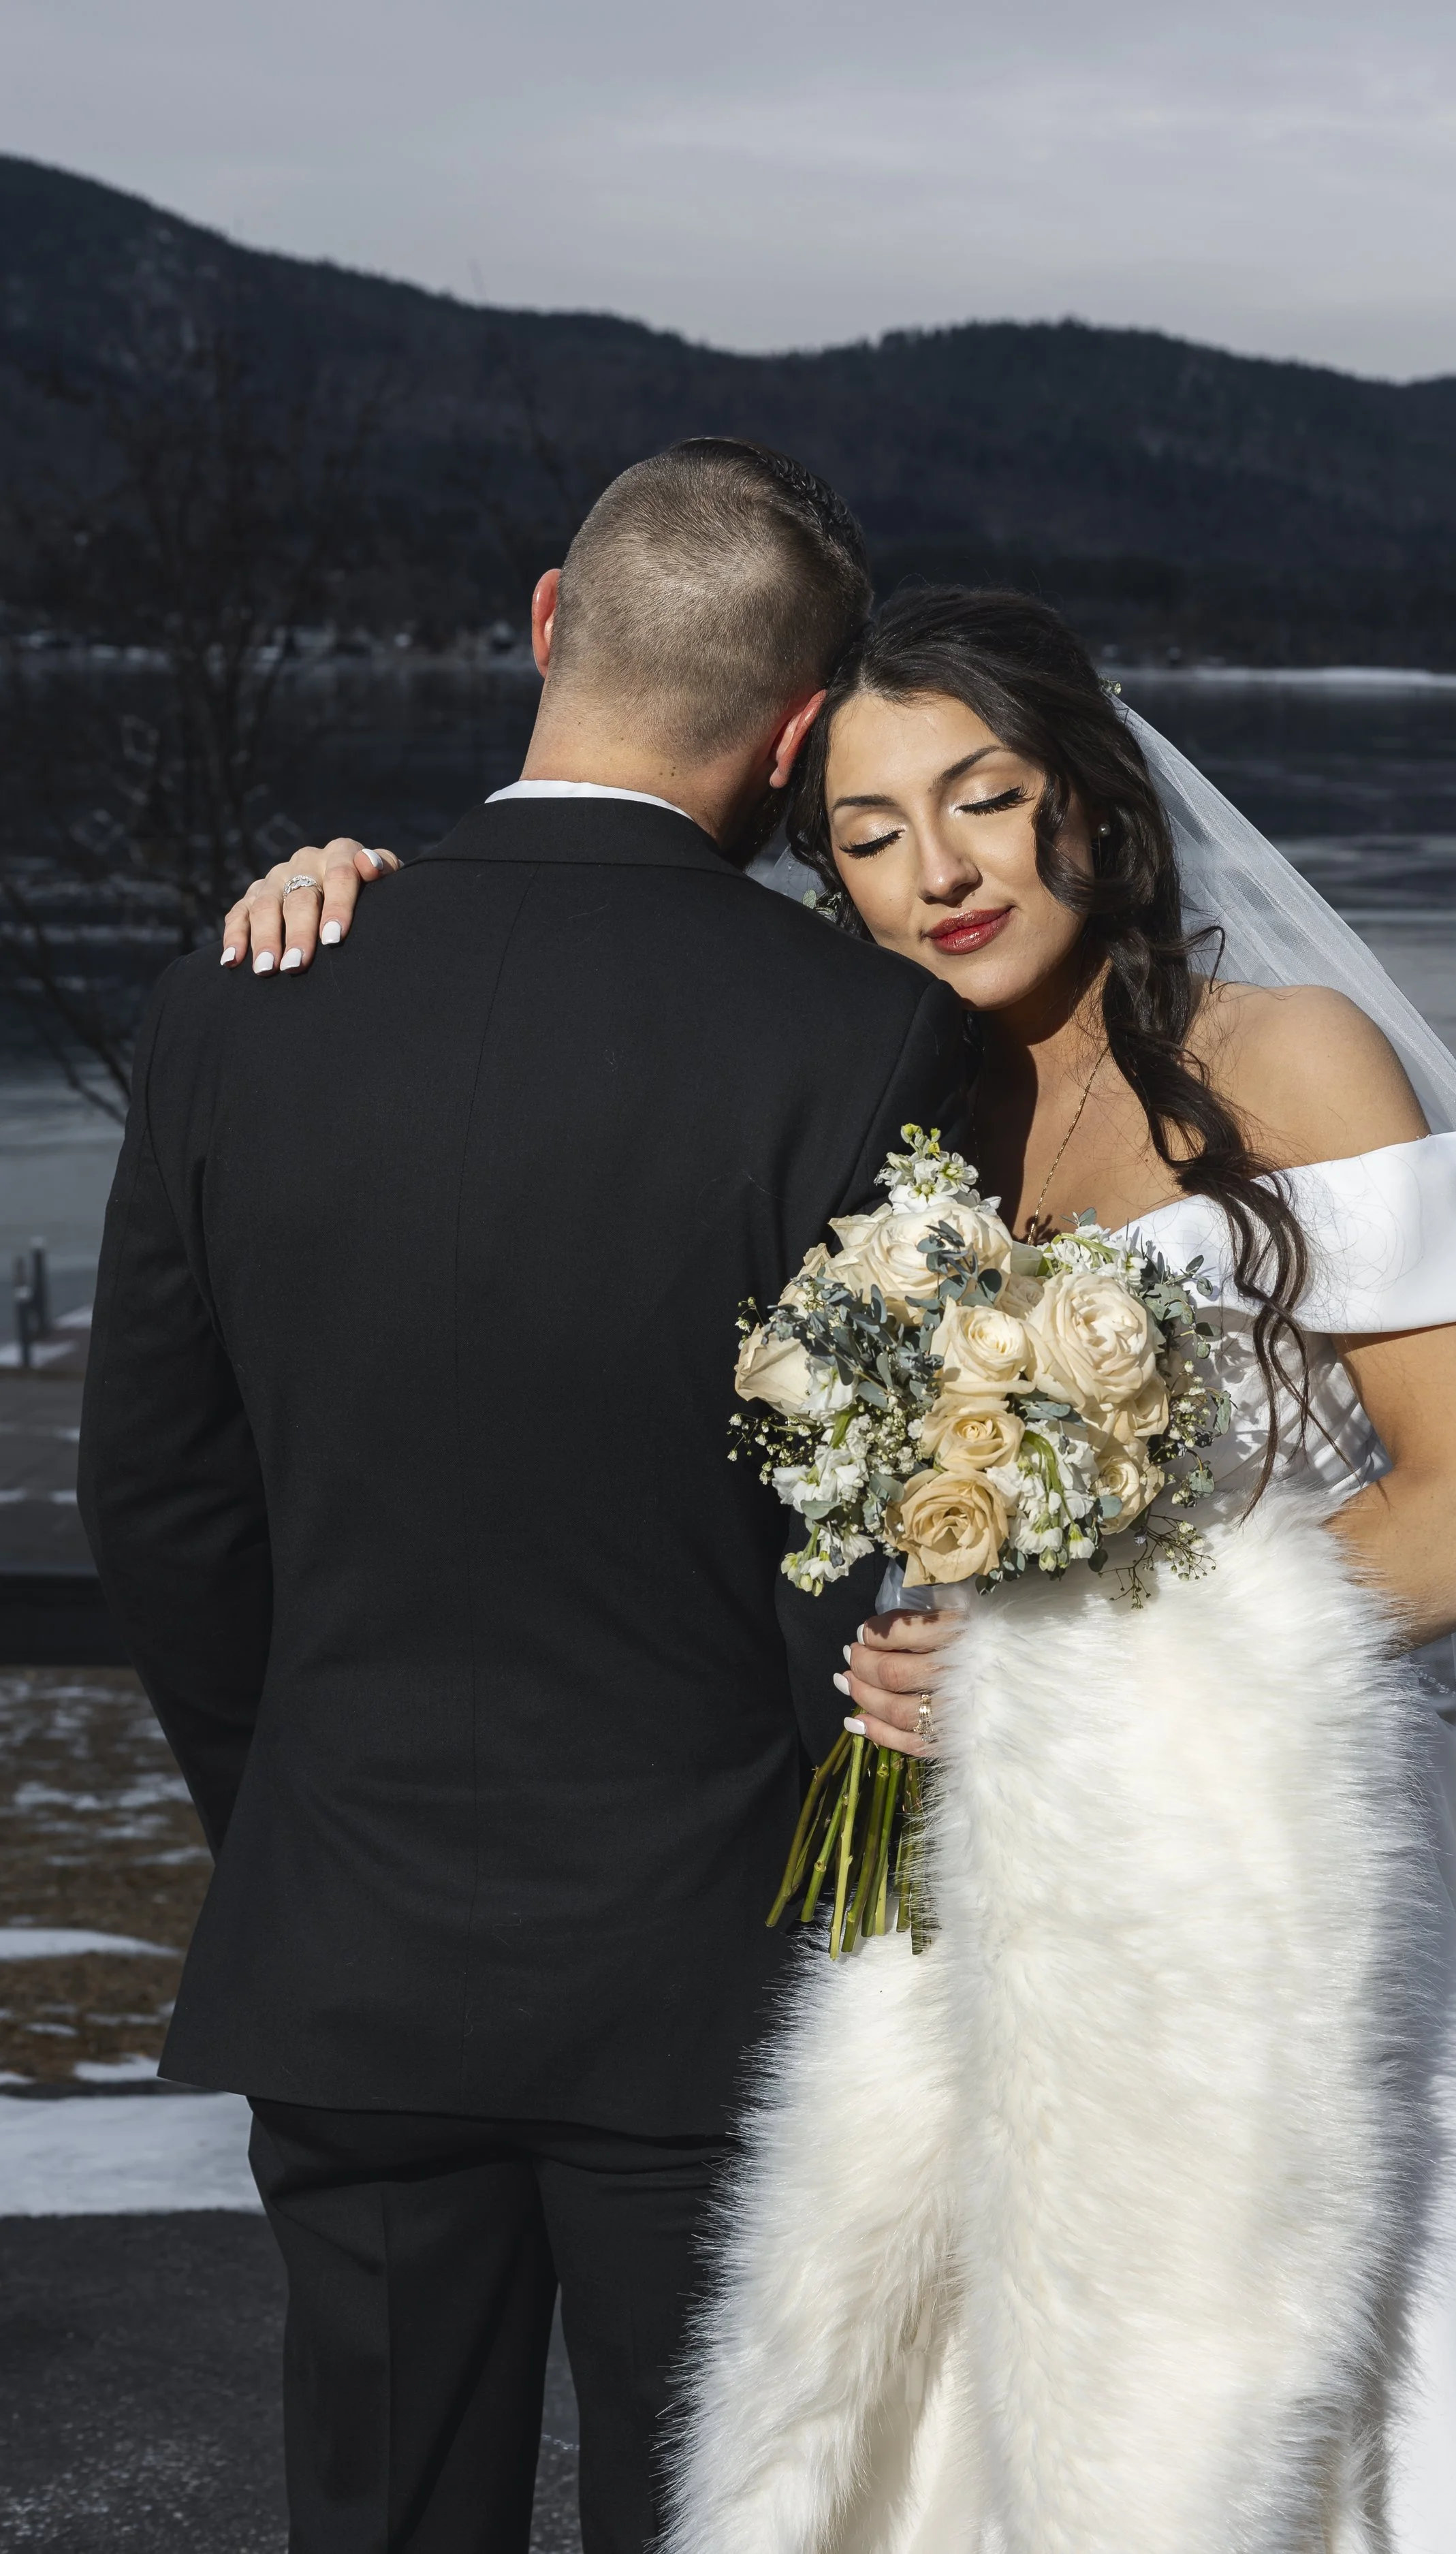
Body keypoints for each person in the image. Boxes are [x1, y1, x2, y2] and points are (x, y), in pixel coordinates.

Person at [230, 590, 1456, 2551]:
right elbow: (580, 1039)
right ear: (810, 859)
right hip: (974, 1914)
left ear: (1086, 794)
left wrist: (1062, 1683)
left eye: (983, 799)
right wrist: (375, 904)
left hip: (1287, 1878)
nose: (936, 873)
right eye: (865, 832)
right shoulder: (885, 1091)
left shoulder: (1291, 1056)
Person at [76, 440, 968, 2554]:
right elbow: (862, 1557)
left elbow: (160, 1499)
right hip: (707, 1971)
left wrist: (299, 1794)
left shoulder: (240, 992)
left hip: (357, 1943)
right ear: (798, 730)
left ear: (549, 624)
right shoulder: (867, 1038)